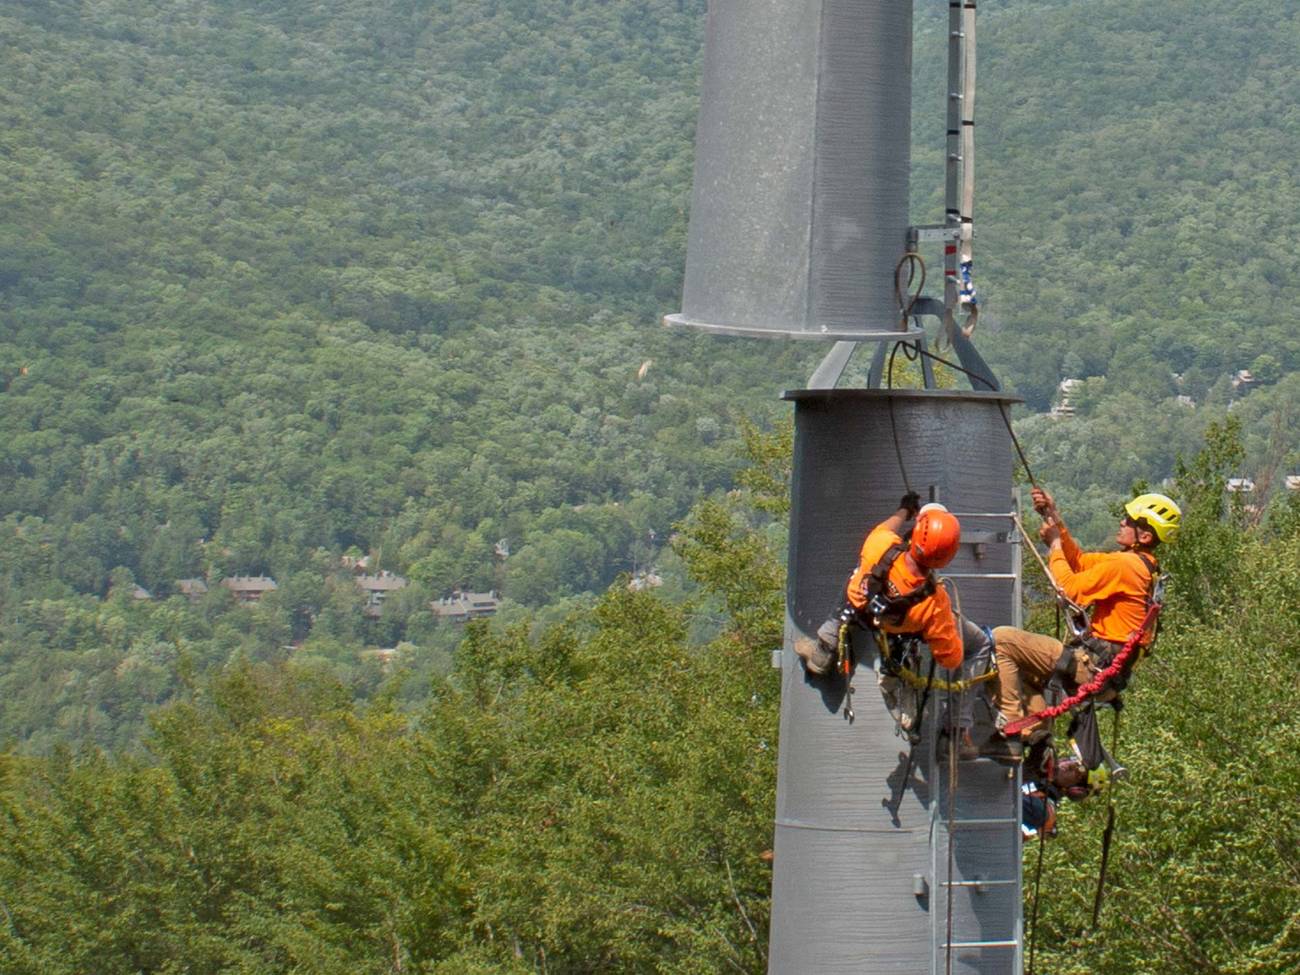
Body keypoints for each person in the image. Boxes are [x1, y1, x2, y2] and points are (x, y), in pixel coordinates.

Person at [987, 488, 1181, 759]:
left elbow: (1068, 588)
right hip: (1101, 672)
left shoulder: (1128, 566)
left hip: (1091, 666)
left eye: (1129, 521)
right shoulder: (1141, 565)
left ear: (1145, 536)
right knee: (1022, 666)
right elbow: (1078, 562)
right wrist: (1054, 517)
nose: (1122, 522)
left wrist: (1054, 545)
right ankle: (1037, 736)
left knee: (1002, 640)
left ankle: (1010, 732)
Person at [795, 493, 992, 759]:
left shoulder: (882, 545)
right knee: (980, 644)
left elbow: (887, 527)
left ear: (916, 534)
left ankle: (825, 646)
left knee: (857, 576)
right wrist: (938, 629)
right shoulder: (936, 602)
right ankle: (957, 730)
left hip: (860, 613)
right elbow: (950, 658)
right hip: (897, 631)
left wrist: (904, 511)